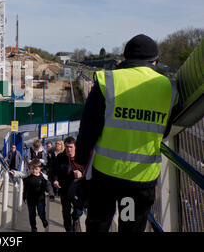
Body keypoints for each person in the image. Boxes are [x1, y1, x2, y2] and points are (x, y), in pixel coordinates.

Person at [75, 34, 179, 232]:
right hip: (138, 180)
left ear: (125, 58)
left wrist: (80, 160)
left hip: (105, 177)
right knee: (128, 224)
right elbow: (164, 131)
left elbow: (88, 129)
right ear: (154, 61)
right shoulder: (168, 87)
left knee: (99, 223)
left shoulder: (109, 81)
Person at [52, 136, 85, 232]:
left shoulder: (81, 157)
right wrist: (55, 180)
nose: (68, 149)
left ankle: (75, 219)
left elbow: (88, 171)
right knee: (66, 214)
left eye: (70, 147)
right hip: (65, 189)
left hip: (78, 190)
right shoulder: (60, 157)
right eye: (66, 147)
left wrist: (81, 173)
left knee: (78, 211)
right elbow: (54, 171)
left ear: (75, 147)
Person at [22, 159, 55, 232]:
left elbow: (48, 186)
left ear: (40, 169)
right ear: (30, 168)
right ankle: (33, 227)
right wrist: (13, 172)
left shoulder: (43, 178)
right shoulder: (27, 177)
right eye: (32, 169)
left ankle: (44, 220)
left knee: (41, 212)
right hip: (30, 199)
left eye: (36, 169)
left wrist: (51, 195)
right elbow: (20, 174)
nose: (34, 171)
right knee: (31, 214)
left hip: (40, 199)